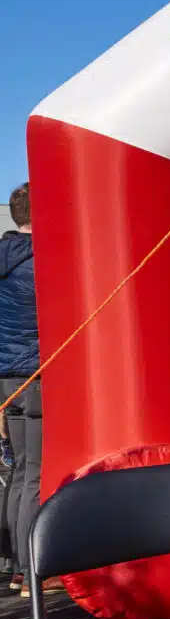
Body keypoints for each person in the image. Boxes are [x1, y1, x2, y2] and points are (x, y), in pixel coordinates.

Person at [0, 184, 39, 591]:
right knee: (35, 474)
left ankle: (14, 563)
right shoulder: (40, 260)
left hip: (7, 376)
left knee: (21, 468)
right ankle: (30, 571)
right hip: (35, 373)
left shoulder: (4, 254)